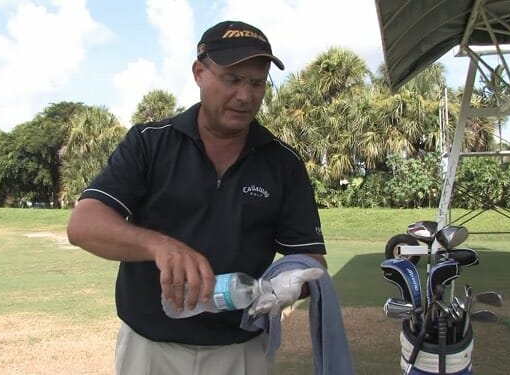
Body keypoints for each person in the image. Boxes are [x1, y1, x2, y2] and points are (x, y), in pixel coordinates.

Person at [67, 20, 327, 375]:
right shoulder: (150, 142)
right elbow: (84, 224)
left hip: (242, 353)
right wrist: (159, 246)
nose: (245, 96)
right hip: (150, 352)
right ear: (199, 73)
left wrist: (287, 285)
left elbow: (310, 259)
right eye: (232, 80)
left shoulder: (283, 163)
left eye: (256, 83)